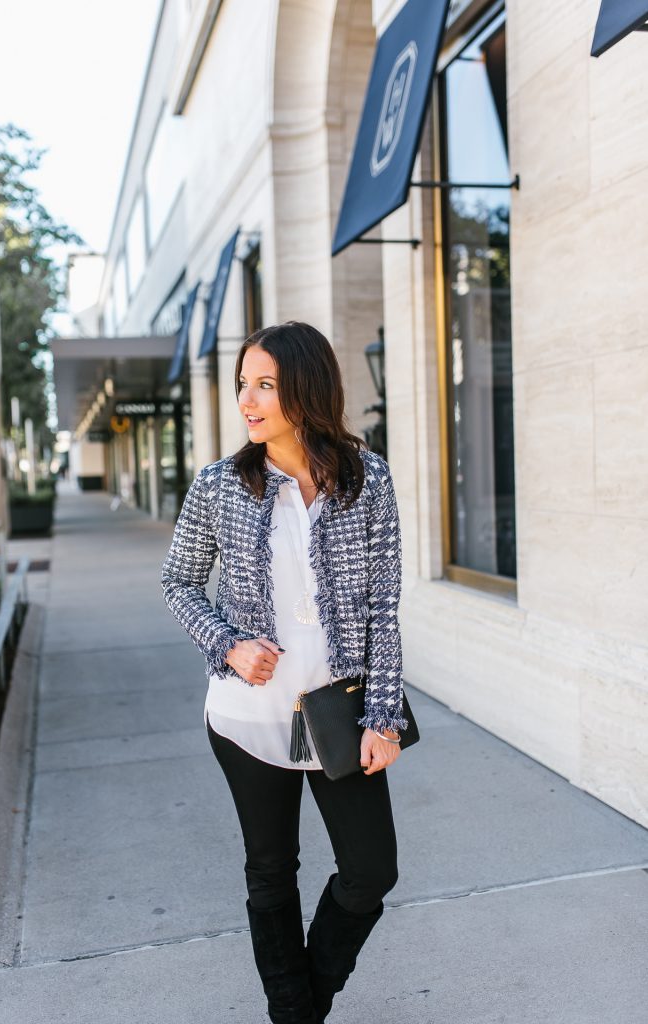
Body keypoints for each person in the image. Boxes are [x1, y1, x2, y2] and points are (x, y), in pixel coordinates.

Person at [161, 321, 408, 1023]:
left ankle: (303, 1003)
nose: (247, 399)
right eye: (244, 383)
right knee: (271, 872)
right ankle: (293, 1015)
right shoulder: (219, 486)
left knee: (370, 871)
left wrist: (382, 717)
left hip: (339, 716)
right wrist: (228, 644)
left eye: (264, 384)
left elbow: (382, 607)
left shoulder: (367, 478)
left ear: (307, 386)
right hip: (247, 716)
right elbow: (178, 582)